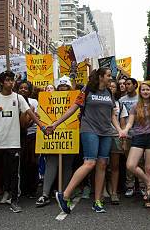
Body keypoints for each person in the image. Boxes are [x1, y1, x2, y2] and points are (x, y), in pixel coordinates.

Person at [52, 68, 124, 214]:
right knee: (90, 162)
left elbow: (112, 116)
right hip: (89, 129)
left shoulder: (109, 93)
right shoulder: (87, 89)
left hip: (106, 132)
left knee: (102, 164)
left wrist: (119, 130)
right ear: (101, 77)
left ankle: (97, 201)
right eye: (109, 75)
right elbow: (73, 108)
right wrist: (55, 124)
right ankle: (64, 195)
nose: (111, 78)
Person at [0, 71, 46, 214]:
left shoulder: (19, 97)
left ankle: (14, 201)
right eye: (7, 80)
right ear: (2, 82)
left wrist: (42, 127)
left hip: (14, 142)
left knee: (14, 173)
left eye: (12, 80)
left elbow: (30, 113)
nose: (11, 83)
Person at [121, 82, 150, 208]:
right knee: (130, 165)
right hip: (138, 137)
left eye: (147, 89)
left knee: (149, 168)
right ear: (140, 92)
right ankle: (149, 183)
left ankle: (148, 197)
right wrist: (125, 130)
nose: (145, 92)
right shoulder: (135, 106)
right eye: (143, 90)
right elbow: (130, 123)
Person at [36, 76, 76, 208]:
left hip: (70, 134)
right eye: (60, 87)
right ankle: (45, 194)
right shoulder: (47, 99)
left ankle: (65, 193)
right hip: (52, 135)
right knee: (51, 162)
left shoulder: (75, 99)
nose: (63, 89)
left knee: (67, 164)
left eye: (66, 87)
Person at [118, 77, 139, 197]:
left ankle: (141, 185)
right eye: (125, 84)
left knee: (140, 161)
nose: (126, 86)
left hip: (140, 133)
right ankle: (130, 186)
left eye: (129, 84)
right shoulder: (121, 100)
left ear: (135, 85)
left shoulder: (141, 99)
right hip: (128, 134)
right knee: (129, 161)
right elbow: (121, 117)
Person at [19, 80, 40, 199]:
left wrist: (31, 115)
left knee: (33, 162)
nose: (23, 90)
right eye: (21, 88)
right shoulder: (15, 100)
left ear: (29, 90)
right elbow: (23, 123)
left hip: (32, 135)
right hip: (19, 136)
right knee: (22, 162)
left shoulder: (34, 102)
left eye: (25, 88)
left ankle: (33, 188)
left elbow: (34, 120)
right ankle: (23, 188)